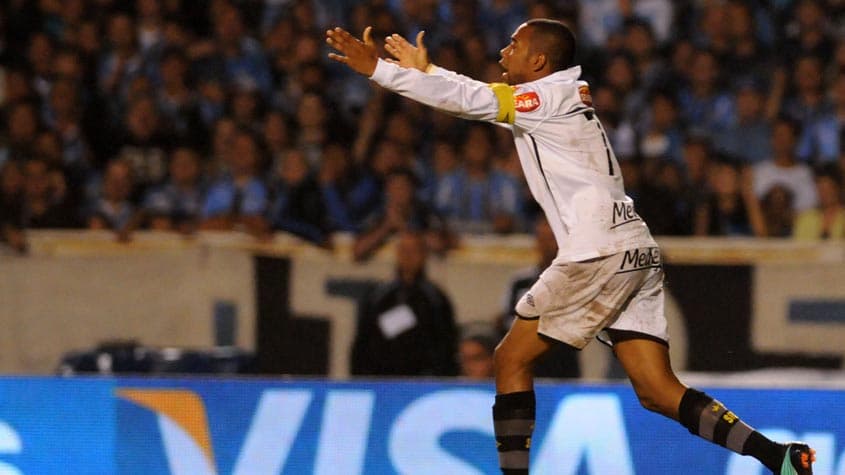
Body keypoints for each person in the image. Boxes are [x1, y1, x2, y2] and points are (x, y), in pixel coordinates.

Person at [326, 19, 815, 475]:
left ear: (538, 63)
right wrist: (427, 71)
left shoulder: (546, 98)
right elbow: (477, 96)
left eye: (514, 45)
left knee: (510, 360)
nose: (502, 50)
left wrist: (379, 69)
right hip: (635, 247)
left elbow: (469, 99)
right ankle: (781, 458)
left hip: (598, 250)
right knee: (657, 391)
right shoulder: (555, 98)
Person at [350, 231, 458, 377]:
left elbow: (446, 344)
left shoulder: (435, 298)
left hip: (423, 379)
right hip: (382, 378)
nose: (408, 257)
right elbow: (363, 341)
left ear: (424, 255)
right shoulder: (379, 296)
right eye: (404, 250)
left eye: (414, 251)